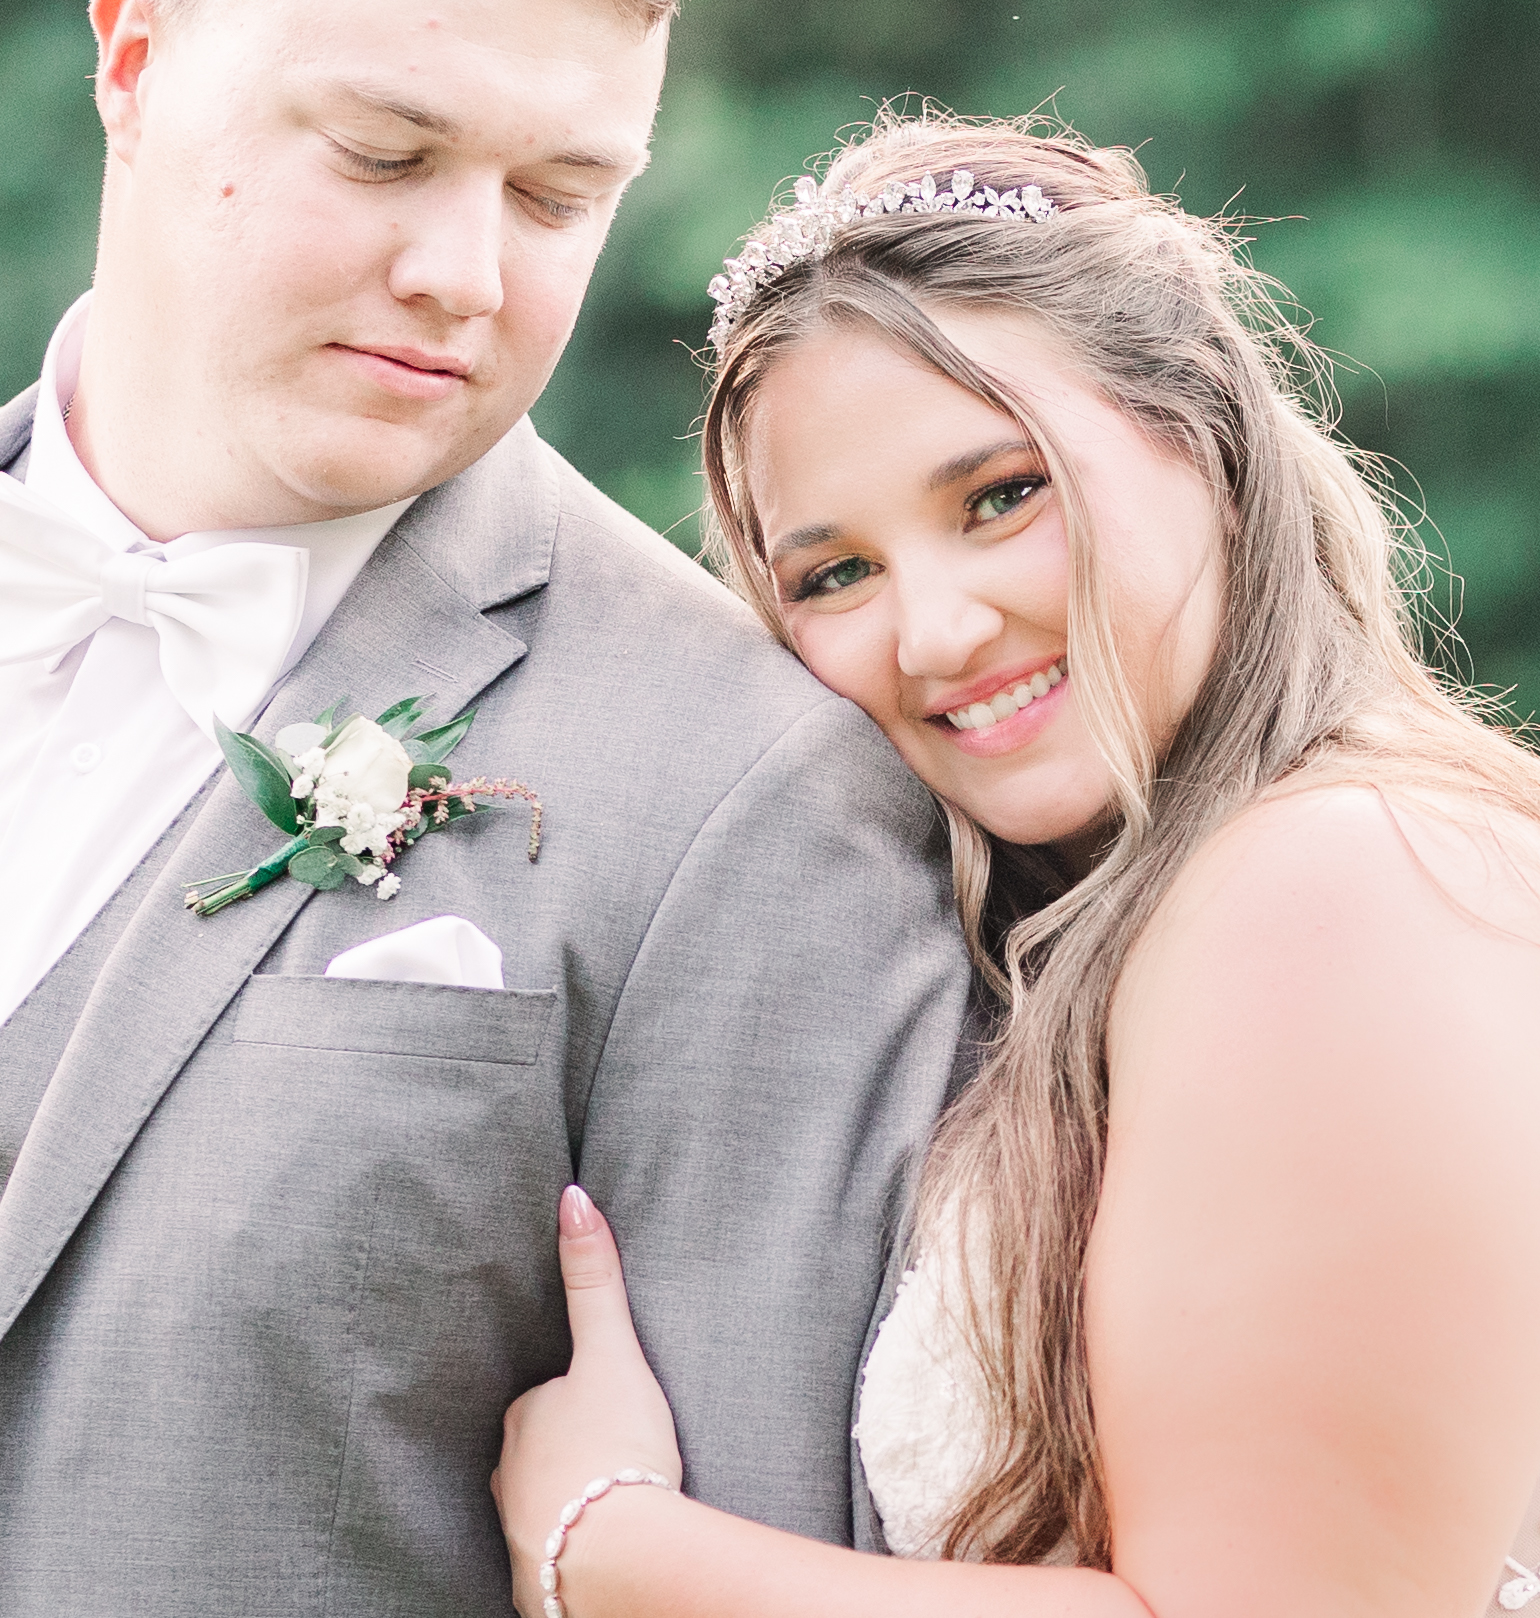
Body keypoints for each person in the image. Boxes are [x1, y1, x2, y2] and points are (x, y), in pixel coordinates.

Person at [491, 114, 1540, 1618]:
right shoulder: (1160, 918)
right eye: (835, 573)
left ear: (1205, 435)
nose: (934, 631)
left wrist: (610, 1544)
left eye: (1000, 495)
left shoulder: (1346, 885)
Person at [0, 4, 969, 1613]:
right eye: (387, 153)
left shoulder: (754, 794)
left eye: (559, 194)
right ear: (131, 55)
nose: (468, 274)